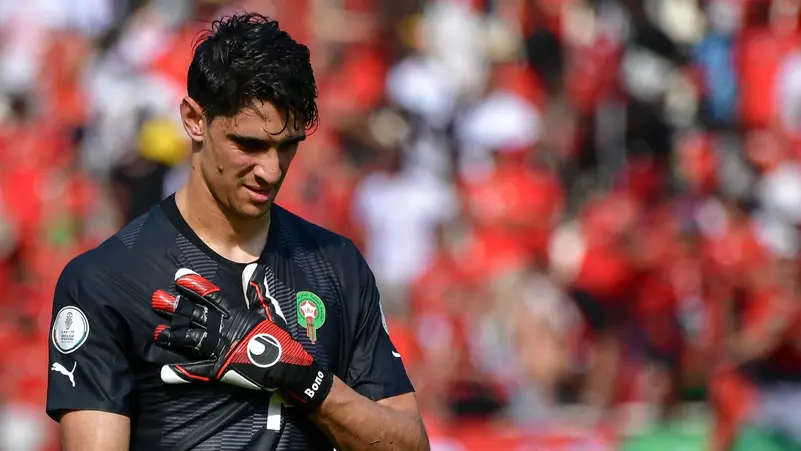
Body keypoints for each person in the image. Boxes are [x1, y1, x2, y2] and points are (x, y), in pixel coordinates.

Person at [45, 13, 429, 451]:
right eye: (249, 144)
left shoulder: (338, 265)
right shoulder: (107, 280)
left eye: (287, 146)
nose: (271, 170)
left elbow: (409, 445)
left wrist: (299, 376)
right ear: (194, 119)